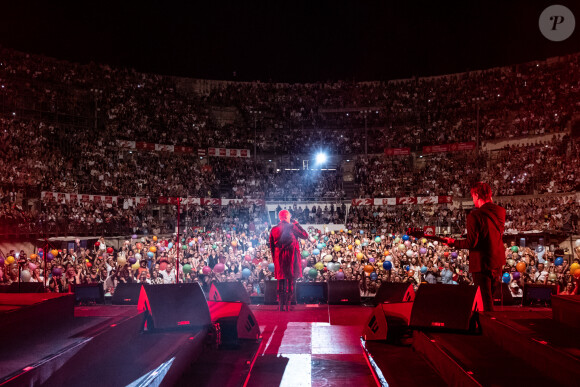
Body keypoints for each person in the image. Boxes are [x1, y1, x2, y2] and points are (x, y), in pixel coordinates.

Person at [444, 182, 505, 312]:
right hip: (497, 262)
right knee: (490, 299)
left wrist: (453, 242)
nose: (473, 200)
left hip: (481, 264)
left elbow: (471, 243)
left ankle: (489, 329)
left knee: (485, 302)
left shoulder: (474, 215)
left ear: (476, 195)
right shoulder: (500, 211)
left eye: (473, 196)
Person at [269, 209, 308, 311]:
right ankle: (287, 305)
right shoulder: (292, 227)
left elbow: (272, 247)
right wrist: (297, 224)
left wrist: (275, 260)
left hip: (279, 259)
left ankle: (280, 305)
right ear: (287, 217)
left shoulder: (273, 229)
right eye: (289, 216)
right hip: (291, 258)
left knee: (280, 281)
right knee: (290, 281)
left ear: (279, 217)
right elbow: (305, 235)